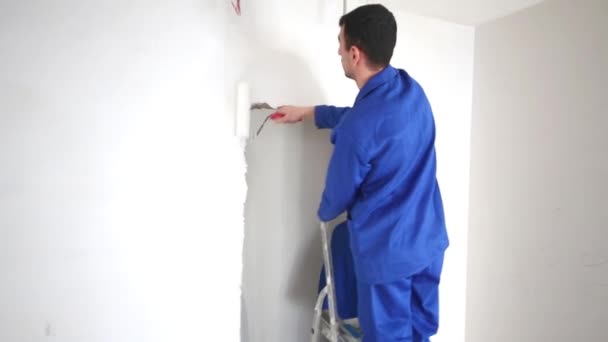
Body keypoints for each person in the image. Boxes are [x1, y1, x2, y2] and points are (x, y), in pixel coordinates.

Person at [273, 4, 449, 342]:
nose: (337, 50)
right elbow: (367, 123)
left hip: (389, 255)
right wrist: (310, 113)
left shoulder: (360, 127)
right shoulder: (411, 91)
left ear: (355, 53)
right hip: (428, 242)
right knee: (420, 333)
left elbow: (334, 200)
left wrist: (323, 210)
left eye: (340, 42)